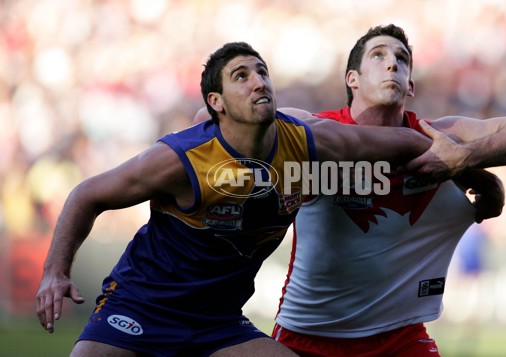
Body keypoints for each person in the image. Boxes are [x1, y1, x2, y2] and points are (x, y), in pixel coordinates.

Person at [35, 41, 480, 357]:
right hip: (141, 307)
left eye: (262, 71)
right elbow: (86, 194)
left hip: (218, 324)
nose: (257, 81)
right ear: (217, 102)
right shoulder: (179, 159)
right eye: (240, 76)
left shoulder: (309, 144)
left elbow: (400, 144)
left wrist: (466, 170)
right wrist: (55, 273)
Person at [194, 25, 506, 356]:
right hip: (309, 335)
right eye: (379, 55)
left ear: (411, 85)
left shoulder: (437, 138)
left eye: (402, 59)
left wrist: (464, 157)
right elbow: (208, 120)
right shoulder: (312, 132)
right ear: (352, 79)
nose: (392, 65)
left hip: (400, 337)